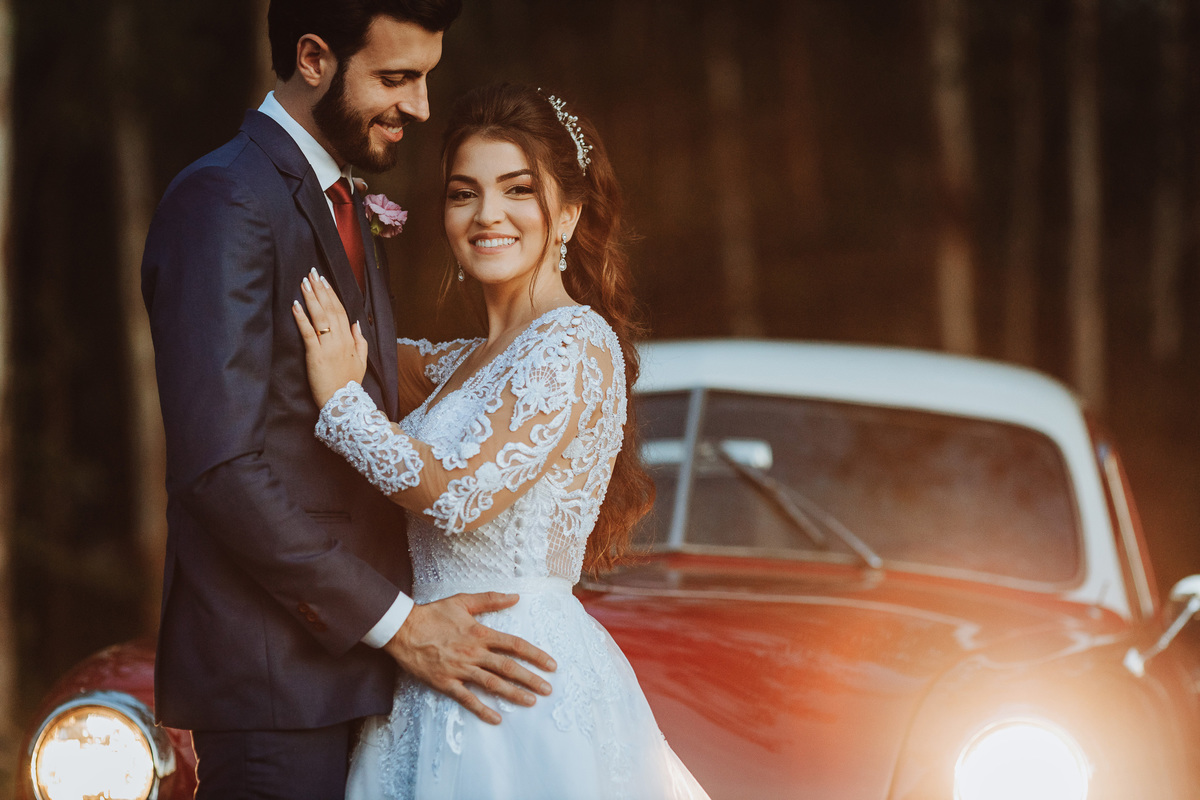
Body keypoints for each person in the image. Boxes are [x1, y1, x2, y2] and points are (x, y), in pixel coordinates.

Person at [140, 4, 556, 797]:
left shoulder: (335, 196)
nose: (421, 107)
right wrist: (401, 624)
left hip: (348, 678)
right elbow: (219, 468)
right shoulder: (224, 201)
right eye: (397, 78)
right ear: (312, 58)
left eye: (425, 77)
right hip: (278, 687)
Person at [292, 82, 710, 800]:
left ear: (569, 213)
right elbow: (366, 345)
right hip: (428, 679)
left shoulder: (576, 342)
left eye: (518, 190)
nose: (488, 215)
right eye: (463, 194)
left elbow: (458, 495)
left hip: (518, 689)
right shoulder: (462, 363)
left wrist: (340, 402)